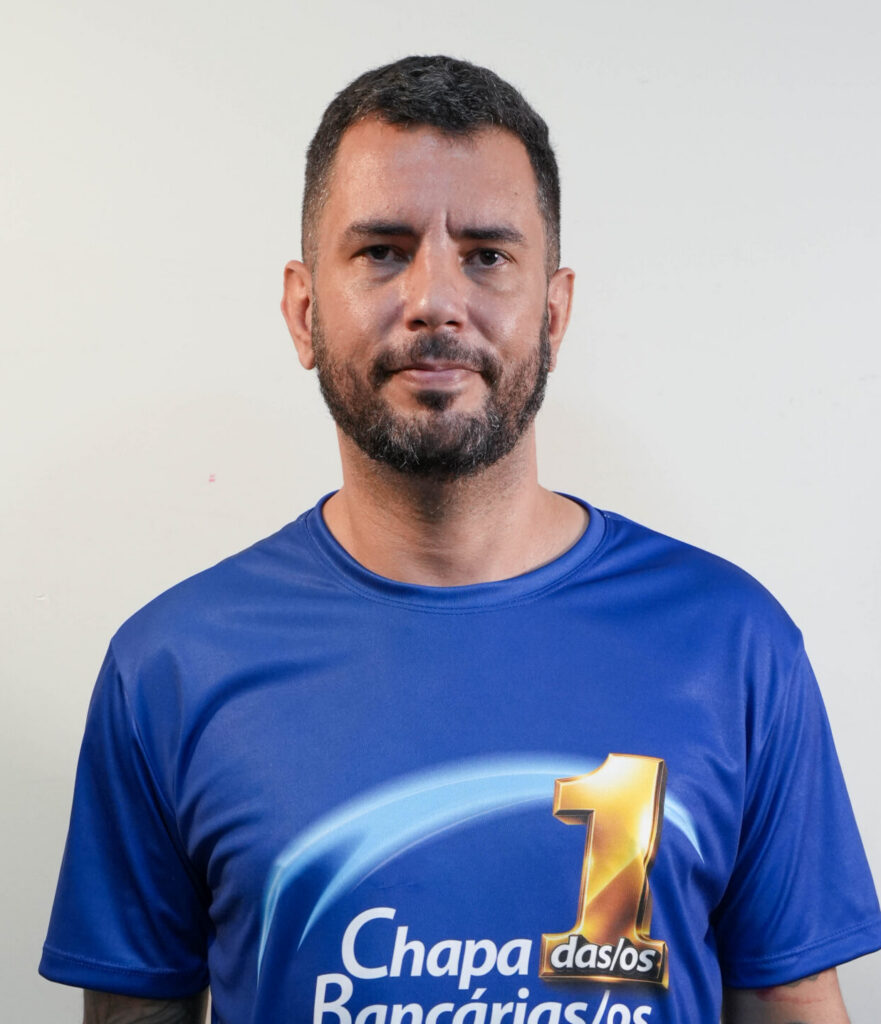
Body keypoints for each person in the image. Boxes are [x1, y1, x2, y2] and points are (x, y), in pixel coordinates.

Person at [41, 55, 880, 1024]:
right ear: (304, 312)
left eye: (484, 255)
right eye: (381, 251)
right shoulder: (171, 666)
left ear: (553, 313)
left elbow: (789, 1001)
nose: (434, 299)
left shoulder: (731, 644)